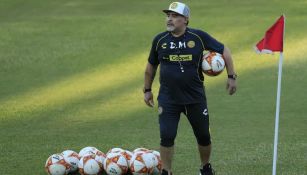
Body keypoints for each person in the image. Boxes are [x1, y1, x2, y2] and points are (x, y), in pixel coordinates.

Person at [143, 2, 237, 175]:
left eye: (175, 16)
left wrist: (231, 76)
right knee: (167, 136)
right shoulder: (160, 40)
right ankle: (167, 170)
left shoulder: (198, 37)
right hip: (168, 99)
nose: (170, 19)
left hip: (195, 98)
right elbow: (150, 67)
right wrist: (147, 90)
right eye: (168, 16)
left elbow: (225, 51)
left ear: (185, 19)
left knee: (203, 136)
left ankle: (205, 167)